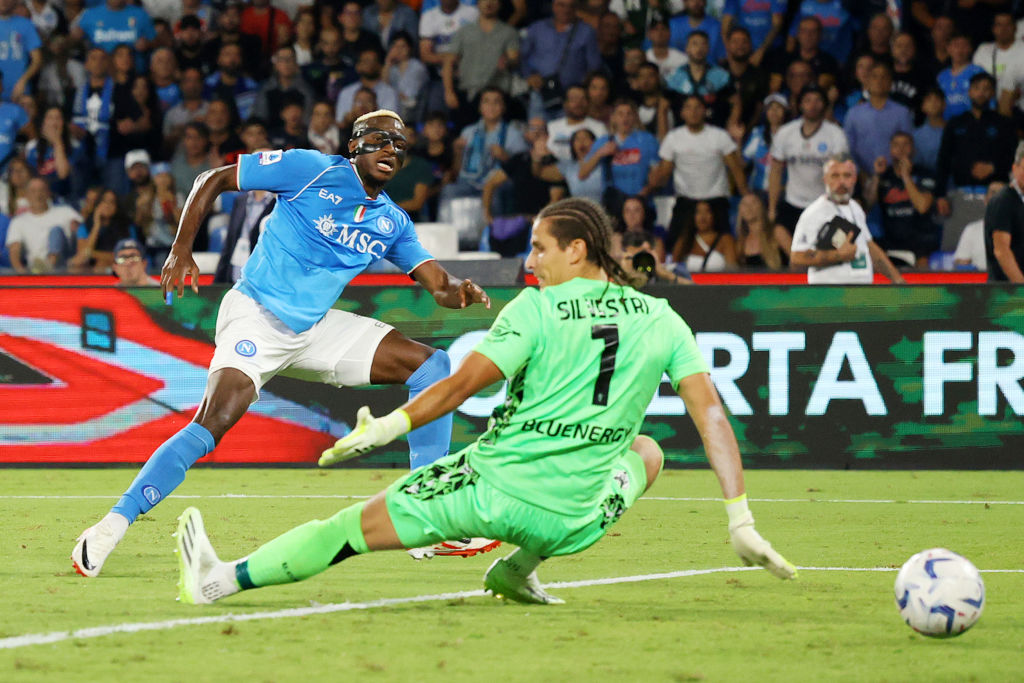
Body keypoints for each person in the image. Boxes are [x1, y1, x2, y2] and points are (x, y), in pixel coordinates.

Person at [172, 196, 796, 607]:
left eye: (539, 248)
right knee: (648, 452)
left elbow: (459, 385)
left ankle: (219, 580)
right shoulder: (662, 319)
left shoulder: (537, 308)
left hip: (486, 494)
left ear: (576, 250)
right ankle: (519, 570)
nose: (530, 261)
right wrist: (739, 518)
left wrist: (388, 426)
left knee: (343, 533)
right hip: (573, 523)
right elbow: (710, 415)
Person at [71, 110, 495, 578]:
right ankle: (111, 526)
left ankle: (426, 513)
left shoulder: (391, 221)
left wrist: (459, 291)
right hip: (256, 315)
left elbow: (438, 284)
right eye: (380, 139)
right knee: (214, 420)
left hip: (314, 329)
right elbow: (214, 178)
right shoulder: (309, 168)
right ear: (354, 145)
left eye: (399, 145)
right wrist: (181, 248)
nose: (390, 150)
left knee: (432, 366)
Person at [790, 153, 906, 284]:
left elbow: (869, 247)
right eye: (835, 176)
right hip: (829, 291)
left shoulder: (856, 208)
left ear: (854, 179)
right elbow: (796, 258)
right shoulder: (813, 213)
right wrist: (837, 256)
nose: (841, 182)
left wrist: (898, 280)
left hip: (861, 290)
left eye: (847, 175)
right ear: (825, 179)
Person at [768, 85, 848, 236]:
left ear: (824, 104)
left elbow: (841, 174)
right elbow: (775, 172)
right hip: (793, 202)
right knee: (779, 234)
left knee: (829, 243)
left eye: (818, 100)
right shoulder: (786, 132)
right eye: (808, 100)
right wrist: (772, 208)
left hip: (825, 202)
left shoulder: (836, 134)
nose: (813, 105)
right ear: (800, 105)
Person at [862, 132, 937, 269]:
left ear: (913, 149)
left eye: (905, 144)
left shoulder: (925, 174)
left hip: (920, 243)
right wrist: (877, 176)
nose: (901, 149)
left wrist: (906, 176)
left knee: (923, 267)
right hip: (890, 242)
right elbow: (868, 205)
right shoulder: (884, 175)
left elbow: (922, 207)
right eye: (896, 145)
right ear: (890, 150)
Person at [4, 177, 80, 273]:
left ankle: (48, 266)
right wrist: (21, 273)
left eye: (42, 190)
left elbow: (82, 235)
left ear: (49, 193)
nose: (38, 195)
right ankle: (43, 270)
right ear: (27, 195)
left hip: (63, 267)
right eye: (33, 191)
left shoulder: (66, 212)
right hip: (35, 270)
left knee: (56, 231)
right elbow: (14, 250)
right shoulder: (18, 221)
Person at [983, 142, 1024, 283]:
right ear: (1015, 168)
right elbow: (1001, 251)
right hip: (1004, 291)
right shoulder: (1003, 201)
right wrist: (1021, 288)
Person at [954, 181, 1003, 271]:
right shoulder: (971, 229)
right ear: (985, 200)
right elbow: (961, 262)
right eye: (993, 193)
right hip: (980, 278)